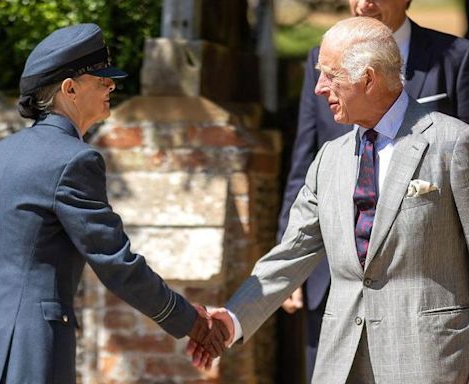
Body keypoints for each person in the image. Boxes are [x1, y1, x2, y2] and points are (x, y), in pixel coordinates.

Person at [195, 16, 469, 383]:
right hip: (340, 362)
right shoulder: (329, 159)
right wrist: (232, 318)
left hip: (429, 362)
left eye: (330, 74)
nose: (319, 88)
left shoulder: (452, 143)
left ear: (368, 79)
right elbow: (292, 252)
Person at [0, 23, 227, 384]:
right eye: (102, 80)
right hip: (30, 355)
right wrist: (190, 321)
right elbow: (115, 262)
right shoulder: (74, 160)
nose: (112, 86)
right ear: (70, 89)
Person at [279, 0, 469, 381]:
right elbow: (305, 158)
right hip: (336, 287)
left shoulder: (454, 57)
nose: (364, 3)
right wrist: (288, 258)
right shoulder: (325, 57)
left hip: (424, 324)